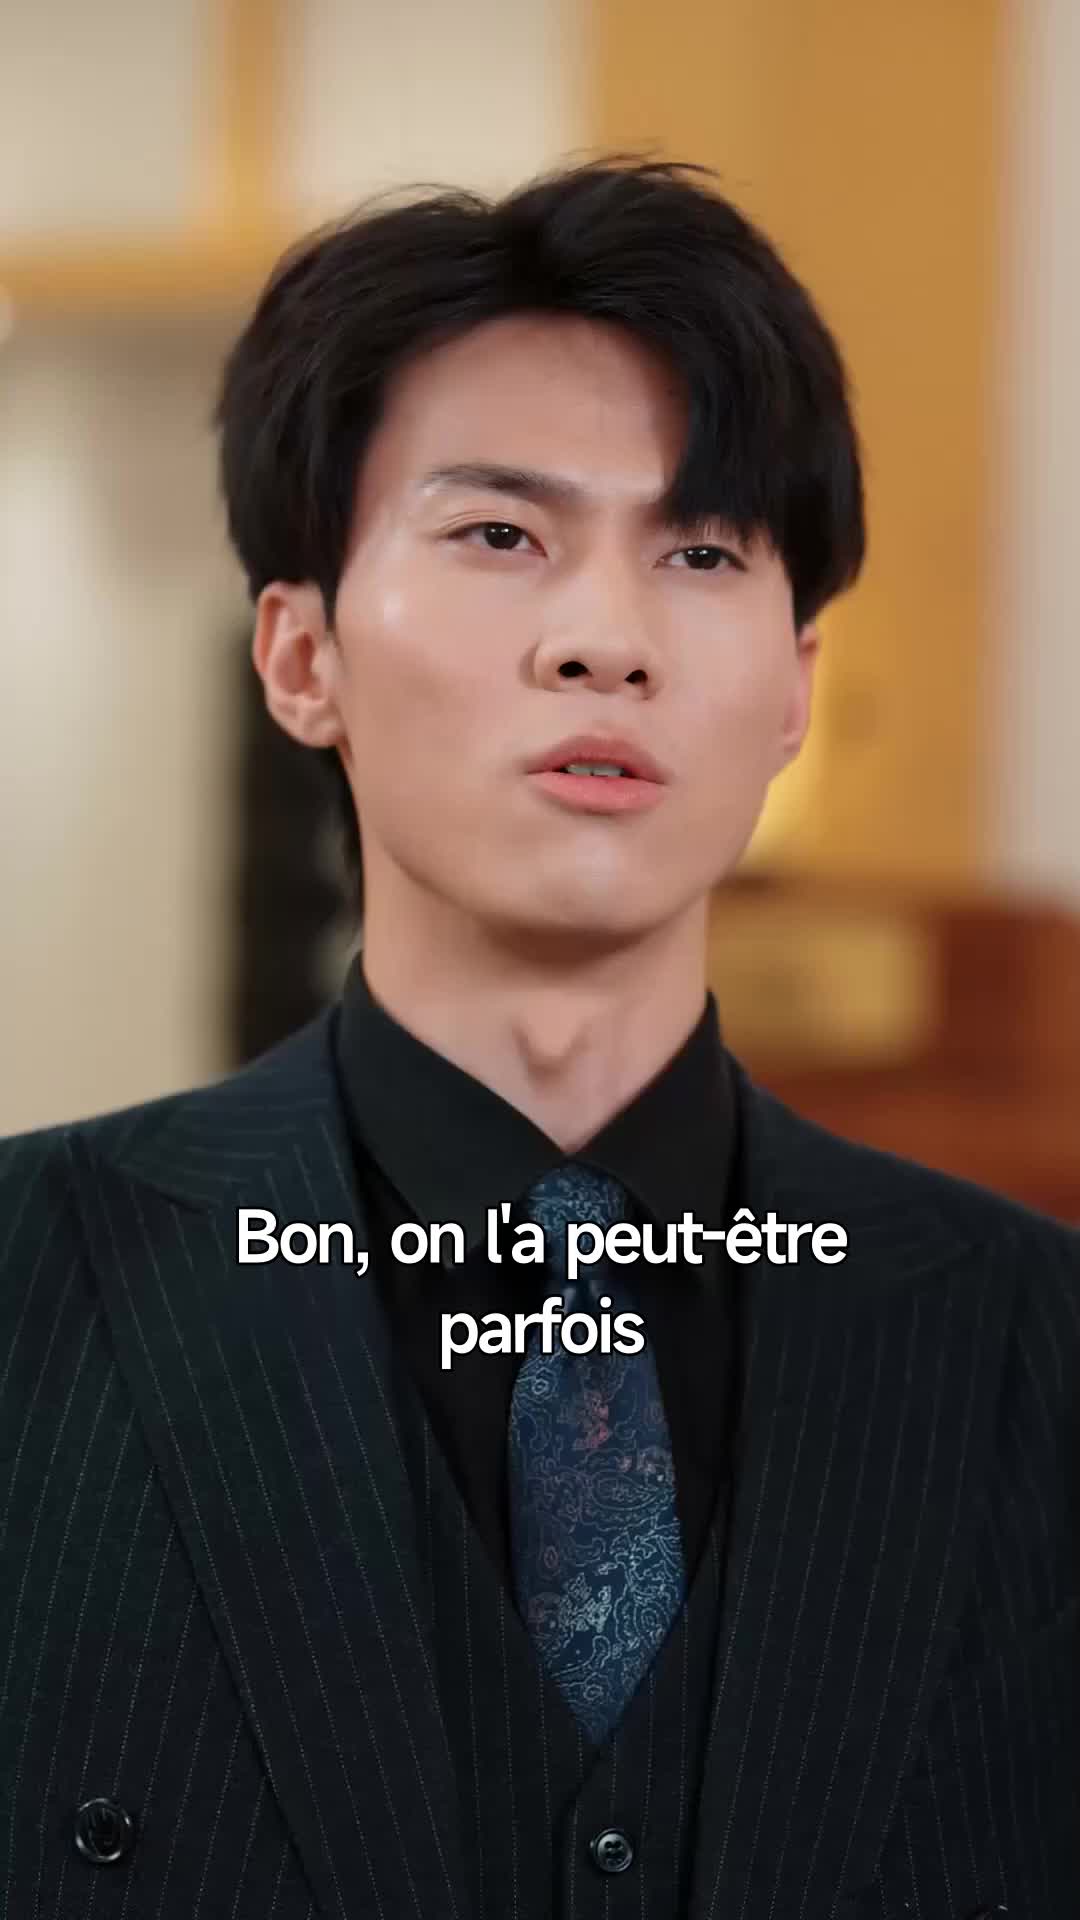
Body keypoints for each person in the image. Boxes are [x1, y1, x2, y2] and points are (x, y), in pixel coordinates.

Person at [1, 158, 1076, 1920]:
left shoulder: (1041, 1351)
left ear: (796, 685)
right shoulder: (28, 1294)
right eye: (502, 535)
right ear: (301, 656)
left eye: (702, 552)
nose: (606, 641)